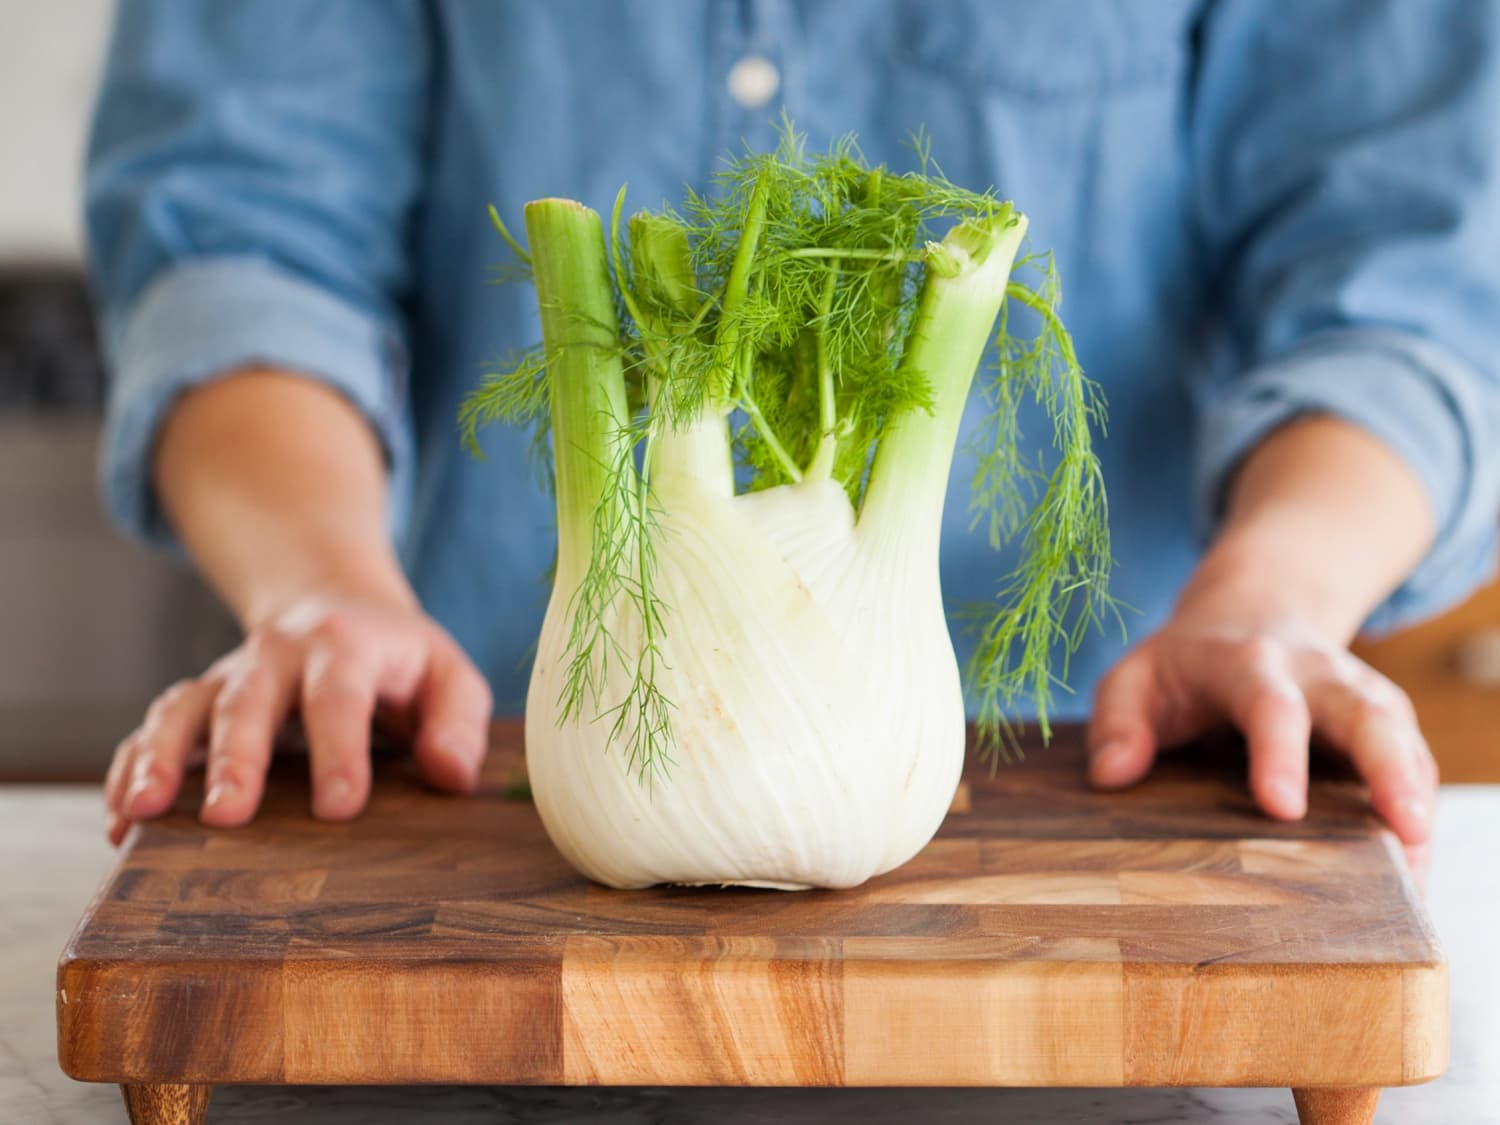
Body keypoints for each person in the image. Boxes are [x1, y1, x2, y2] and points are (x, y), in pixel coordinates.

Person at [86, 2, 1500, 880]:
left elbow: (1403, 271)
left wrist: (1278, 593)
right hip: (457, 775)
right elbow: (239, 234)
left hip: (1125, 759)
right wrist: (319, 581)